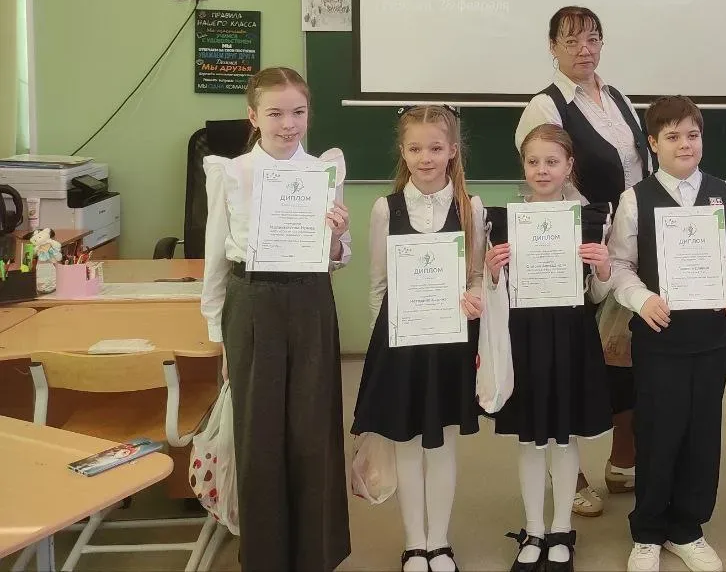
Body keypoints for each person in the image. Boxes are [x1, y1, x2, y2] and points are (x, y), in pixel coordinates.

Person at [201, 67, 351, 572]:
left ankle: (315, 555)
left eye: (299, 112)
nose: (289, 124)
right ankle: (266, 557)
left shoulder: (325, 171)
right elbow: (215, 256)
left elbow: (338, 258)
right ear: (253, 116)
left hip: (310, 300)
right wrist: (217, 333)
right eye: (276, 113)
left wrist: (336, 237)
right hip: (252, 302)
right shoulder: (232, 172)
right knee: (259, 433)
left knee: (313, 429)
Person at [515, 5, 653, 516]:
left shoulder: (618, 98)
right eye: (571, 41)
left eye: (592, 39)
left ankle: (623, 460)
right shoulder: (544, 105)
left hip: (629, 243)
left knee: (626, 353)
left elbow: (640, 167)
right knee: (571, 359)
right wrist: (594, 232)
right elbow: (550, 176)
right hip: (576, 248)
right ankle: (569, 477)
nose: (584, 50)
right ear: (552, 47)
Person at [607, 96, 726, 572]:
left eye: (692, 135)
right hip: (660, 338)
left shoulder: (724, 193)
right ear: (653, 143)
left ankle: (687, 528)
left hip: (712, 337)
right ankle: (648, 530)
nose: (684, 144)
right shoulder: (635, 199)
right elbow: (621, 265)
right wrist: (641, 299)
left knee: (702, 432)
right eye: (672, 136)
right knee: (658, 431)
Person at [351, 106, 486, 572]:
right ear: (403, 152)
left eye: (435, 148)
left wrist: (475, 297)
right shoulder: (384, 209)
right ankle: (415, 543)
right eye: (415, 148)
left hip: (450, 345)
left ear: (453, 151)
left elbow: (475, 275)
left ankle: (440, 542)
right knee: (406, 442)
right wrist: (385, 345)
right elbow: (378, 284)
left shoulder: (471, 207)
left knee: (443, 443)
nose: (425, 157)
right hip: (402, 346)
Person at [485, 124, 616, 572]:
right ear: (523, 166)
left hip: (570, 336)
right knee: (530, 438)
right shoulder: (504, 222)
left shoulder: (590, 220)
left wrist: (603, 270)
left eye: (552, 161)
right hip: (524, 338)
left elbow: (597, 295)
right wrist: (493, 272)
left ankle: (561, 529)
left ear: (569, 165)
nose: (542, 170)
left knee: (563, 436)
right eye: (533, 161)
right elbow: (495, 295)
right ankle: (534, 529)